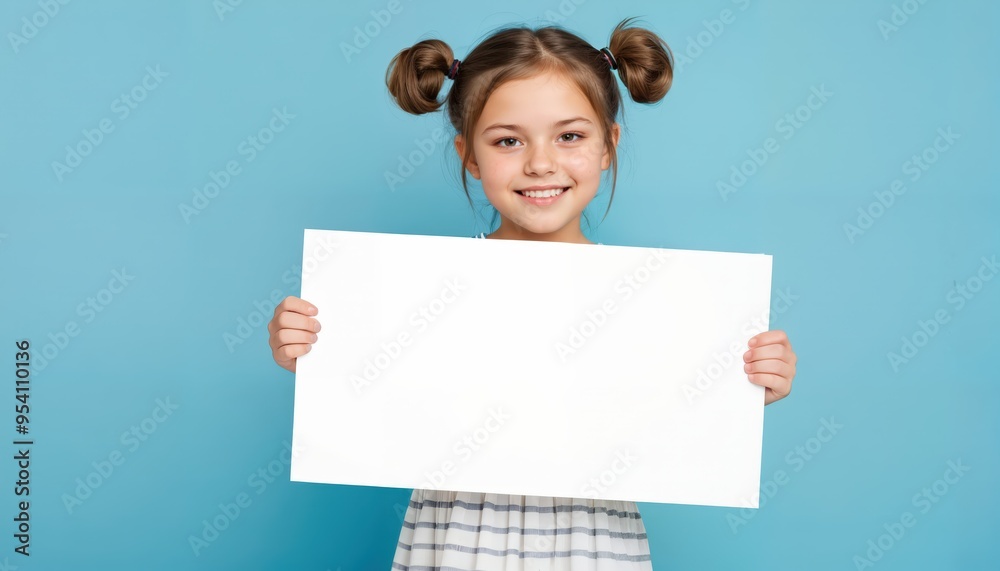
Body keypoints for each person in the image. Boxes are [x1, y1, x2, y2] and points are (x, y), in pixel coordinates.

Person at [267, 16, 797, 570]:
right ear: (469, 155)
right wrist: (312, 349)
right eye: (507, 140)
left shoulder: (646, 300)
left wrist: (741, 389)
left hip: (592, 543)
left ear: (608, 145)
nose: (540, 162)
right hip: (459, 537)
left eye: (569, 135)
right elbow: (373, 385)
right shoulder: (424, 292)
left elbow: (680, 411)